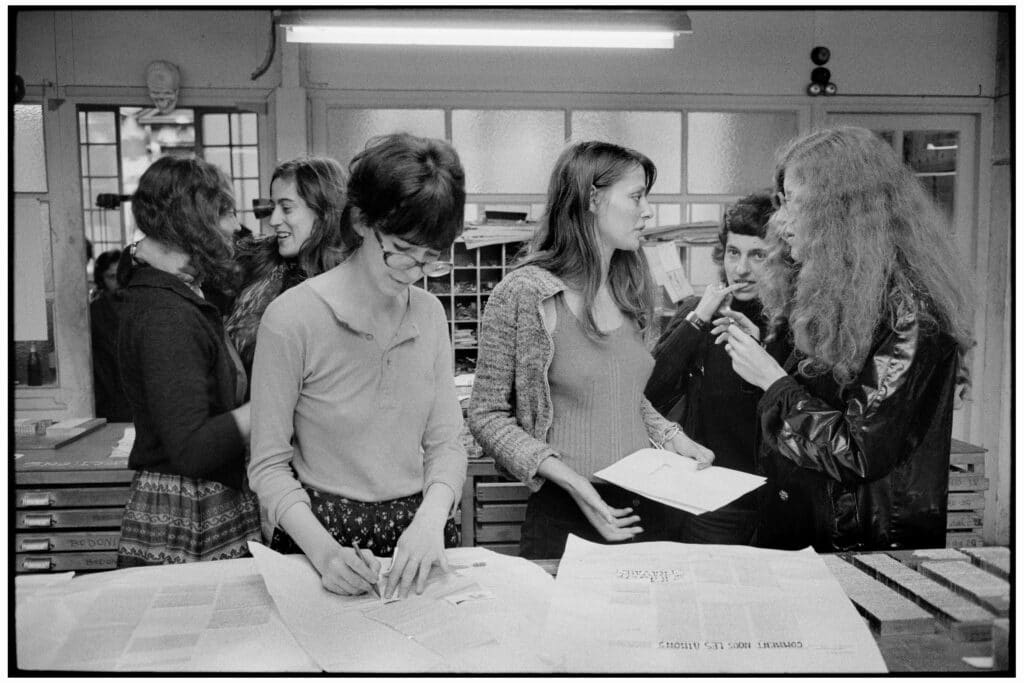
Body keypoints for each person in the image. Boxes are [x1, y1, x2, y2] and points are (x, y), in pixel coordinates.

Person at [716, 126, 974, 552]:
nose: (780, 223)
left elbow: (858, 450)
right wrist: (765, 353)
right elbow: (824, 393)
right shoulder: (837, 285)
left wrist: (774, 383)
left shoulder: (912, 314)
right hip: (806, 526)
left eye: (796, 205)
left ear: (843, 213)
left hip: (863, 547)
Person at [468, 140, 714, 560]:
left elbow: (620, 395)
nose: (647, 210)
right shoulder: (525, 292)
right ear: (592, 199)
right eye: (636, 197)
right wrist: (569, 479)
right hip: (568, 513)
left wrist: (671, 436)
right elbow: (487, 414)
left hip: (649, 507)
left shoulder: (628, 288)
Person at [248, 133, 468, 599]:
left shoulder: (429, 314)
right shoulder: (291, 319)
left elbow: (446, 442)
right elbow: (268, 465)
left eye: (429, 259)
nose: (413, 270)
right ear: (362, 221)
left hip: (419, 535)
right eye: (402, 250)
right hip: (319, 540)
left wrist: (431, 519)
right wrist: (325, 553)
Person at [115, 156, 260, 566]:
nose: (235, 226)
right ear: (190, 222)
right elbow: (192, 448)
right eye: (225, 213)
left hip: (203, 499)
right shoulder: (166, 314)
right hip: (186, 515)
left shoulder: (177, 294)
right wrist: (274, 402)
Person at [645, 192, 791, 545]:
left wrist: (767, 352)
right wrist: (698, 319)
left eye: (757, 255)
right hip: (711, 501)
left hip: (779, 503)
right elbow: (652, 392)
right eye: (733, 253)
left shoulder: (794, 322)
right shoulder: (700, 313)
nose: (741, 269)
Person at [225, 156, 347, 381]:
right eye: (273, 207)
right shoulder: (257, 256)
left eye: (287, 208)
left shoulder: (349, 282)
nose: (273, 219)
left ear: (323, 212)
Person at [89, 249, 133, 422]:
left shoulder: (139, 305)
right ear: (102, 279)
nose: (119, 282)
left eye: (121, 275)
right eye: (111, 277)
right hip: (110, 397)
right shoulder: (95, 312)